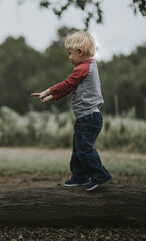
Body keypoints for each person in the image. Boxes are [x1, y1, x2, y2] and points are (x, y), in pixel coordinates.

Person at [31, 30, 111, 191]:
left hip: (89, 118)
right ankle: (80, 176)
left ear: (80, 52)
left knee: (84, 148)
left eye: (70, 53)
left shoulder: (82, 68)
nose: (68, 57)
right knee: (78, 148)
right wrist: (52, 97)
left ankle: (99, 175)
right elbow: (70, 88)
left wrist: (48, 91)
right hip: (86, 118)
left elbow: (67, 84)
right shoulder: (87, 67)